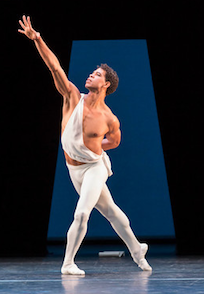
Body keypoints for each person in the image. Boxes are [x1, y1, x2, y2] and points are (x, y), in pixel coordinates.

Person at [18, 15, 152, 275]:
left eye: (97, 74)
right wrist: (38, 40)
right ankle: (138, 251)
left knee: (82, 214)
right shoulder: (71, 97)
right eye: (93, 72)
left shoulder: (109, 118)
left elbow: (114, 140)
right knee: (111, 211)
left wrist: (95, 147)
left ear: (106, 84)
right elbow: (55, 68)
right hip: (74, 170)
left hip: (94, 167)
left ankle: (67, 263)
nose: (91, 74)